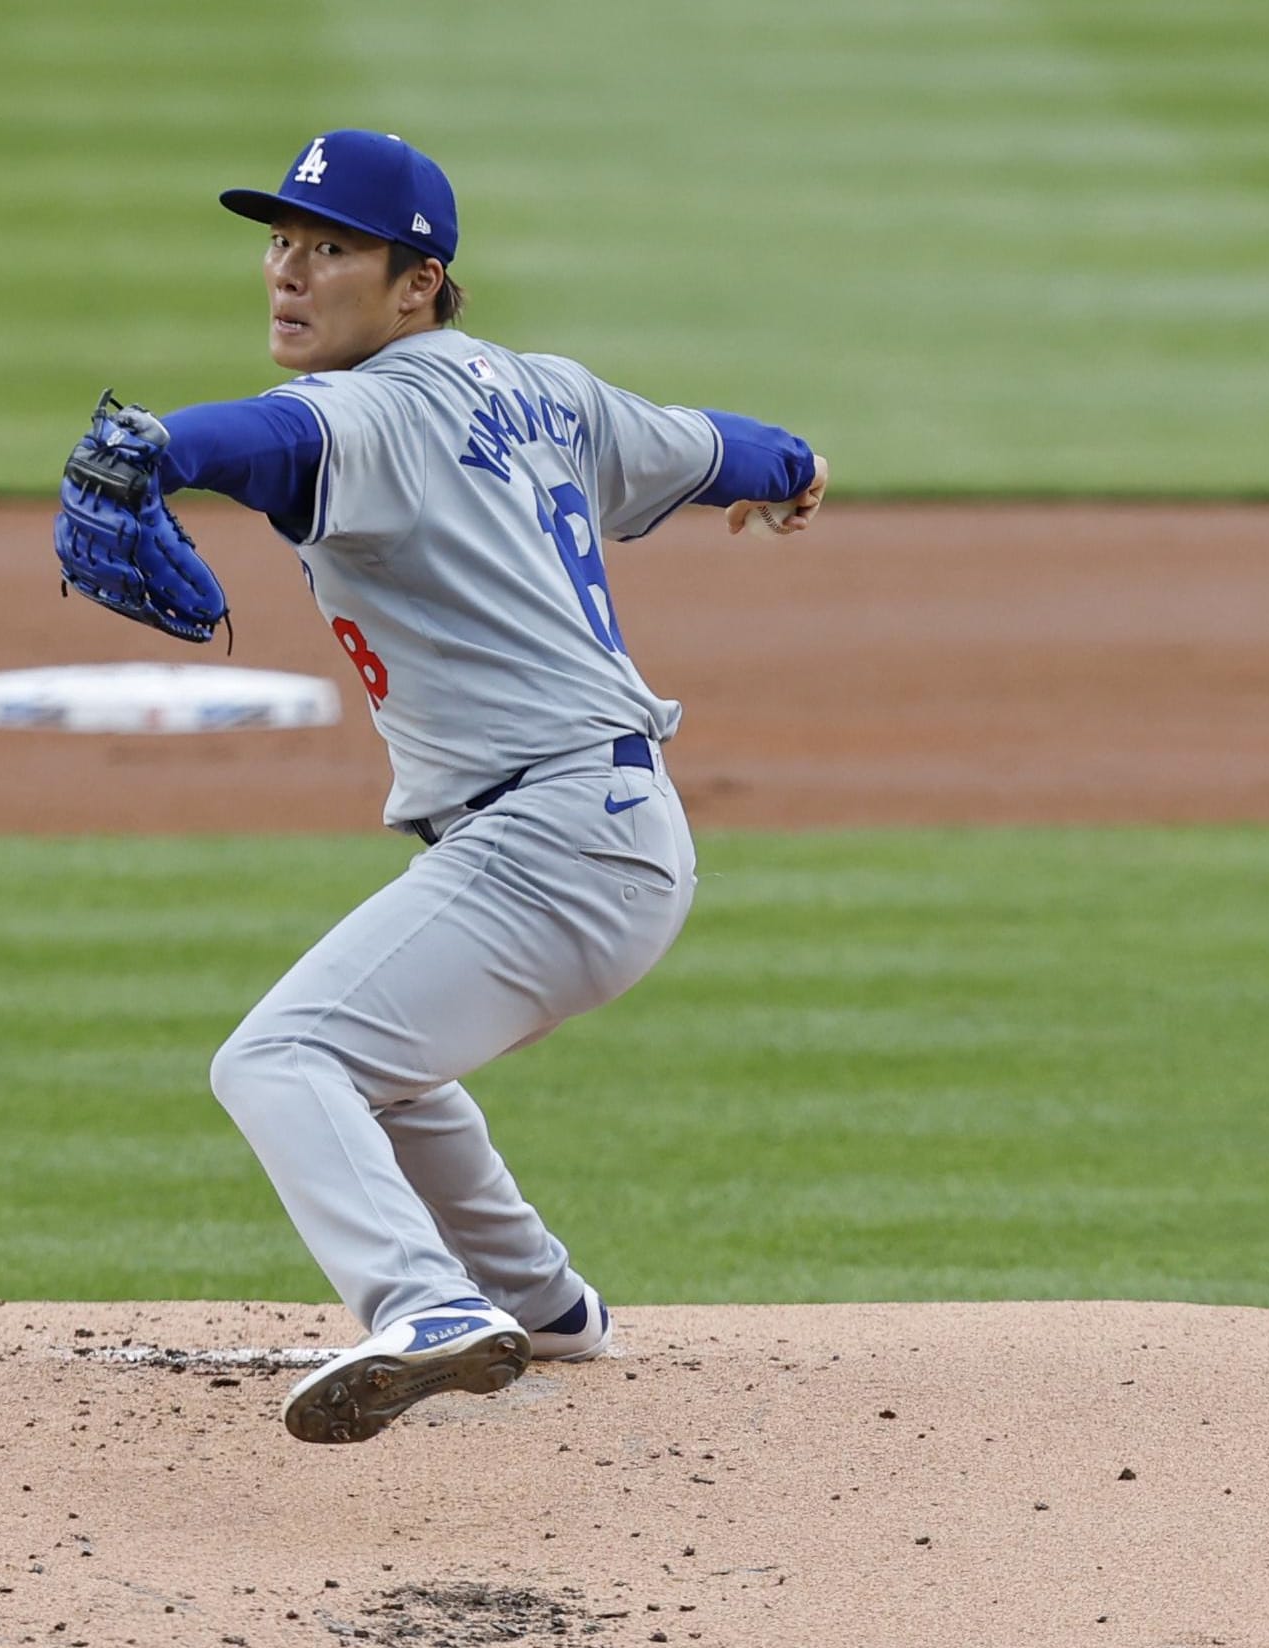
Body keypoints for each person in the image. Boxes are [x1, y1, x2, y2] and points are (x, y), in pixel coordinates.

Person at [54, 130, 827, 1444]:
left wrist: (156, 449)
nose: (290, 272)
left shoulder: (375, 407)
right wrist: (790, 467)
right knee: (387, 1062)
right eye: (282, 239)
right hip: (602, 832)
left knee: (282, 1057)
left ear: (418, 283)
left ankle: (422, 1304)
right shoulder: (545, 393)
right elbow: (711, 446)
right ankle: (542, 1302)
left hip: (557, 842)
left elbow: (267, 440)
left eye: (331, 247)